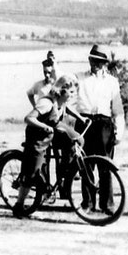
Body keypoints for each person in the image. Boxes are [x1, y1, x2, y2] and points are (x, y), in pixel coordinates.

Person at [13, 74, 84, 217]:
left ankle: (67, 173)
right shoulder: (46, 103)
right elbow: (28, 118)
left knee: (78, 139)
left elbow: (67, 108)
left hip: (52, 132)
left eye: (74, 92)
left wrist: (82, 118)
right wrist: (43, 126)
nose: (72, 95)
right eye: (70, 92)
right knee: (32, 172)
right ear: (62, 91)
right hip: (38, 137)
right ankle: (19, 205)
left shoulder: (61, 101)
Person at [76, 44, 125, 214]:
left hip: (104, 125)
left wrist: (119, 131)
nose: (95, 64)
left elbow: (117, 109)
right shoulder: (79, 79)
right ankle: (87, 203)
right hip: (84, 123)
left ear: (105, 63)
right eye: (93, 60)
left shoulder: (112, 82)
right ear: (89, 60)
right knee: (85, 164)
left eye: (100, 61)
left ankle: (107, 204)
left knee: (106, 165)